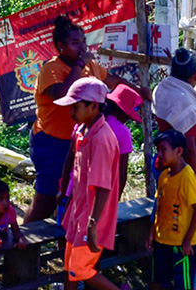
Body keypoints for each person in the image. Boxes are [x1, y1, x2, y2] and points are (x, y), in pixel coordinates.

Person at [34, 77, 146, 290]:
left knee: (82, 268)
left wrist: (93, 224)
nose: (71, 111)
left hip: (94, 215)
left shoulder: (104, 138)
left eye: (76, 106)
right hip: (78, 209)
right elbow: (74, 167)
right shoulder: (82, 130)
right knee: (71, 263)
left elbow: (105, 185)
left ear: (95, 106)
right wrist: (65, 194)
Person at [25, 15, 150, 224]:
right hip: (51, 141)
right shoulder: (51, 69)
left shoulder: (90, 66)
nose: (82, 47)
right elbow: (62, 95)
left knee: (71, 193)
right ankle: (25, 244)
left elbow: (112, 80)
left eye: (83, 42)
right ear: (60, 46)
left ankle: (62, 238)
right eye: (75, 43)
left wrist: (139, 90)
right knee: (45, 198)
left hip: (78, 139)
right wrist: (81, 63)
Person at [153, 48, 196, 240]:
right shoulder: (182, 101)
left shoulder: (166, 88)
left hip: (184, 166)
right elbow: (190, 148)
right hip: (194, 169)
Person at [146, 130, 196, 290]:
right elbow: (159, 207)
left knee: (185, 279)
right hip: (163, 237)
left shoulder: (187, 176)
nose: (159, 154)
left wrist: (188, 240)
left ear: (179, 151)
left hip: (182, 242)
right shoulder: (163, 176)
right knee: (156, 274)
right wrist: (152, 233)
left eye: (163, 150)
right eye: (158, 150)